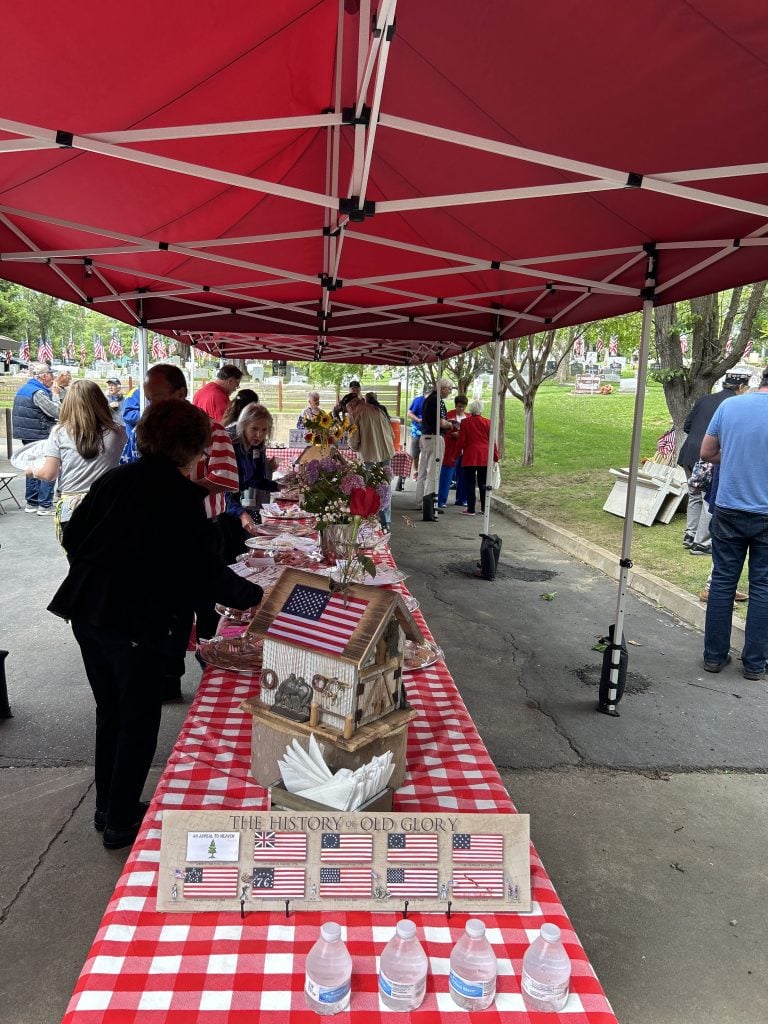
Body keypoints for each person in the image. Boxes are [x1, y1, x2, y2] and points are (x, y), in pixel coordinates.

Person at [48, 400, 264, 849]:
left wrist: (107, 566)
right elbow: (204, 571)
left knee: (111, 713)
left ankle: (109, 807)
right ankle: (121, 819)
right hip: (132, 622)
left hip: (89, 611)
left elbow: (74, 534)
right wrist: (260, 599)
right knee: (137, 720)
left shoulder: (117, 479)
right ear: (194, 448)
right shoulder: (180, 497)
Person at [700, 367, 768, 679]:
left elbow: (707, 452)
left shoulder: (730, 405)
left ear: (760, 381)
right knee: (763, 587)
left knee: (724, 581)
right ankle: (755, 663)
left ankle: (714, 657)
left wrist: (737, 459)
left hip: (729, 506)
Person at [26, 380, 126, 545]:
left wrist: (31, 471)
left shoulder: (59, 432)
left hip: (72, 508)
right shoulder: (118, 432)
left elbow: (49, 474)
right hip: (109, 505)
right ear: (101, 402)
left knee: (78, 562)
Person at [678, 370, 751, 555]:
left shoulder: (704, 399)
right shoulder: (735, 405)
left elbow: (687, 426)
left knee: (694, 495)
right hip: (710, 456)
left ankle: (690, 534)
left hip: (688, 453)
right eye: (746, 387)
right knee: (709, 499)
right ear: (741, 387)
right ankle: (701, 543)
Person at [223, 403, 282, 561]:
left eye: (264, 430)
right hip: (219, 508)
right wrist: (241, 514)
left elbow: (255, 479)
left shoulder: (258, 445)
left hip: (235, 501)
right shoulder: (229, 443)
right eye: (254, 429)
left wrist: (279, 486)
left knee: (242, 549)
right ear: (243, 425)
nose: (259, 435)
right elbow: (222, 490)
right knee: (228, 553)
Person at [11, 362, 61, 515]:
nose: (53, 378)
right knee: (47, 466)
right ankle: (45, 504)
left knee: (31, 466)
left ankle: (32, 502)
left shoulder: (23, 389)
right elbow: (56, 412)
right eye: (51, 375)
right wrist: (56, 394)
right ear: (44, 376)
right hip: (40, 433)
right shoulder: (38, 392)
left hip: (26, 433)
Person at [348, 393, 395, 529]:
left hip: (370, 455)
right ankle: (386, 522)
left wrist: (353, 447)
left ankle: (372, 523)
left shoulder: (355, 413)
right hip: (386, 452)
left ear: (350, 405)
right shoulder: (377, 409)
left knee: (370, 489)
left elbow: (354, 439)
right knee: (385, 487)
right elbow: (391, 433)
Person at [415, 378, 453, 512]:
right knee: (433, 472)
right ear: (443, 388)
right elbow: (442, 423)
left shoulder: (428, 399)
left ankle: (420, 501)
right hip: (435, 437)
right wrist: (451, 424)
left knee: (422, 472)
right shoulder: (439, 402)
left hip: (424, 436)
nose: (450, 392)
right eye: (449, 389)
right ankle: (429, 505)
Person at [457, 399, 499, 516]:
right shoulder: (488, 422)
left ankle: (471, 508)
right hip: (485, 456)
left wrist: (454, 454)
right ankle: (484, 508)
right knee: (483, 483)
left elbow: (461, 441)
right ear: (481, 410)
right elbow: (492, 441)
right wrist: (496, 456)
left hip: (470, 455)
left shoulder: (465, 422)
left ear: (471, 409)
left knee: (470, 483)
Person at [437, 394, 469, 508]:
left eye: (463, 406)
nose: (461, 409)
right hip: (451, 449)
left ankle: (462, 499)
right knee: (446, 476)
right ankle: (441, 500)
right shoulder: (449, 415)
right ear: (455, 405)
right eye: (459, 406)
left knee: (464, 476)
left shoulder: (468, 417)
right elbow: (443, 429)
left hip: (464, 451)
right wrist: (453, 434)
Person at [407, 385, 429, 478]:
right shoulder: (418, 400)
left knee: (427, 454)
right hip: (417, 431)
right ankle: (416, 471)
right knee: (415, 453)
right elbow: (409, 413)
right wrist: (418, 420)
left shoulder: (437, 402)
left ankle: (424, 472)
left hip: (429, 432)